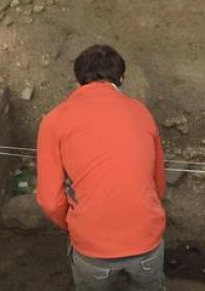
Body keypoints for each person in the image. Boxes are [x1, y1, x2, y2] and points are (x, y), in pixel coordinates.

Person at [35, 44, 168, 290]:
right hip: (146, 239)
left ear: (78, 82)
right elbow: (158, 183)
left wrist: (78, 223)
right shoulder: (141, 112)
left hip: (92, 247)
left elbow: (50, 200)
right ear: (121, 79)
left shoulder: (55, 120)